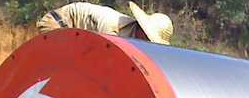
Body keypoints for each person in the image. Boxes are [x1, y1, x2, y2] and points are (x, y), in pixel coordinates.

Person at [37, 2, 174, 45]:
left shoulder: (129, 35)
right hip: (58, 23)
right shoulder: (111, 26)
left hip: (76, 36)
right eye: (148, 38)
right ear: (143, 30)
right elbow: (104, 55)